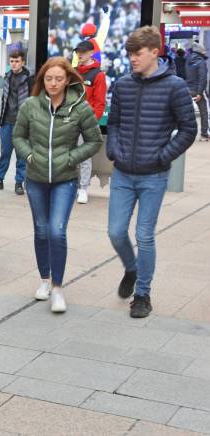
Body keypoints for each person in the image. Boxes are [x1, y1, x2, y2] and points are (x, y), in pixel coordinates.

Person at [107, 26, 196, 318]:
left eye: (138, 53)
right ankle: (131, 269)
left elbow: (188, 129)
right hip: (122, 173)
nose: (132, 58)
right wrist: (113, 150)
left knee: (144, 235)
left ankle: (142, 294)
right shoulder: (122, 85)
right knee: (116, 232)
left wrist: (162, 157)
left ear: (155, 52)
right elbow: (115, 123)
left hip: (153, 176)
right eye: (130, 54)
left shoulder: (175, 86)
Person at [13, 57, 102, 313]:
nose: (53, 83)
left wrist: (71, 158)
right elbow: (18, 136)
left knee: (56, 231)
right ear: (42, 80)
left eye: (59, 79)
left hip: (65, 179)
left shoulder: (80, 108)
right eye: (49, 79)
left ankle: (58, 289)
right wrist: (29, 155)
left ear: (68, 80)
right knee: (41, 230)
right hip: (36, 178)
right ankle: (44, 280)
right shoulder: (30, 106)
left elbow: (94, 142)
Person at [0, 50, 33, 195]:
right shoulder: (7, 76)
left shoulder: (29, 79)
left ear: (23, 62)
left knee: (21, 155)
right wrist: (0, 120)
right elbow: (4, 100)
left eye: (17, 61)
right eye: (11, 61)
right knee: (5, 153)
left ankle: (19, 182)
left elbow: (33, 101)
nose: (14, 64)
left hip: (22, 123)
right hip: (7, 122)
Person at [74, 40, 107, 204]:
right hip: (69, 122)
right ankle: (71, 186)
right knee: (69, 156)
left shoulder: (98, 75)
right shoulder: (72, 71)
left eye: (83, 51)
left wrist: (90, 122)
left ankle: (83, 188)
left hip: (86, 123)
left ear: (91, 52)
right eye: (78, 51)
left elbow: (100, 103)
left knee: (84, 157)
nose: (80, 54)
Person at [185, 42, 209, 141]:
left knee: (185, 112)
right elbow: (202, 78)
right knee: (204, 112)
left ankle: (183, 133)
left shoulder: (188, 60)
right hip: (197, 90)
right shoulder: (201, 62)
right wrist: (200, 92)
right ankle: (204, 134)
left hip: (187, 89)